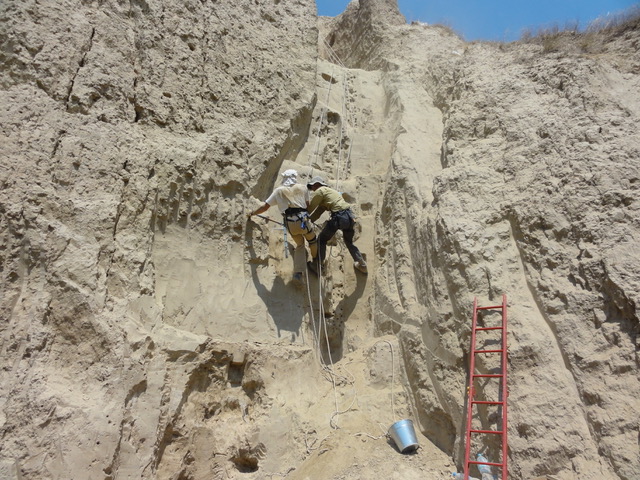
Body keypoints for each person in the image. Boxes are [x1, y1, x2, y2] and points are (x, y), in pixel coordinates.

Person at [248, 169, 317, 283]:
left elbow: (265, 207)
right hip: (303, 221)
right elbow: (307, 205)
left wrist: (252, 213)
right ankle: (315, 261)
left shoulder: (278, 191)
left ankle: (298, 274)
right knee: (312, 240)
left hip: (290, 223)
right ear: (295, 177)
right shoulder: (303, 188)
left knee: (300, 245)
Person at [307, 176, 367, 273]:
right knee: (348, 242)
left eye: (312, 187)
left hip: (339, 217)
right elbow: (318, 211)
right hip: (349, 217)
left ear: (316, 184)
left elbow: (311, 206)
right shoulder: (330, 193)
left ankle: (317, 265)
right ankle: (362, 264)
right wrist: (310, 219)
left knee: (321, 240)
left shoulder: (320, 190)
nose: (312, 189)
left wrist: (303, 216)